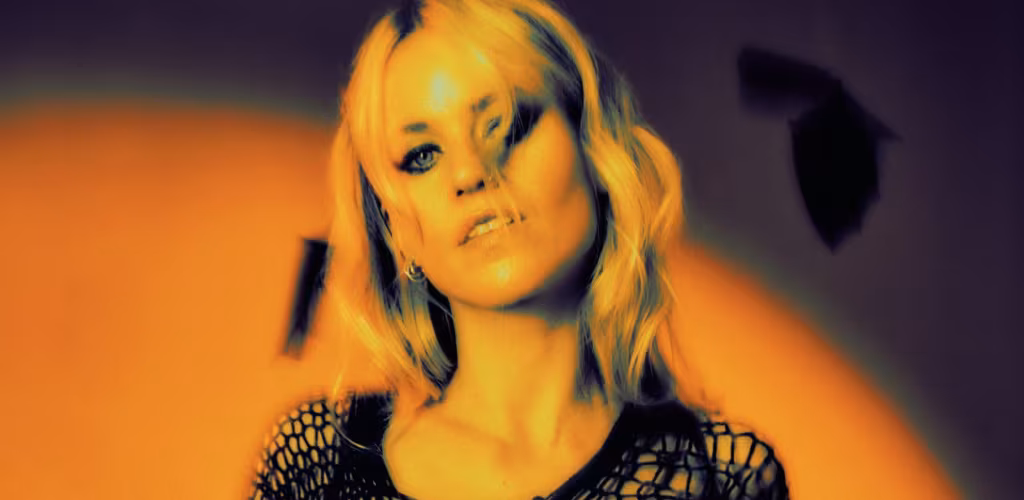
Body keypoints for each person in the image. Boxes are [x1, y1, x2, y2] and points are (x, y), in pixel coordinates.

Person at [249, 0, 789, 498]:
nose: (469, 173)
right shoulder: (317, 465)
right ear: (397, 233)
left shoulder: (723, 478)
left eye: (509, 125)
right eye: (423, 155)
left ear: (593, 149)